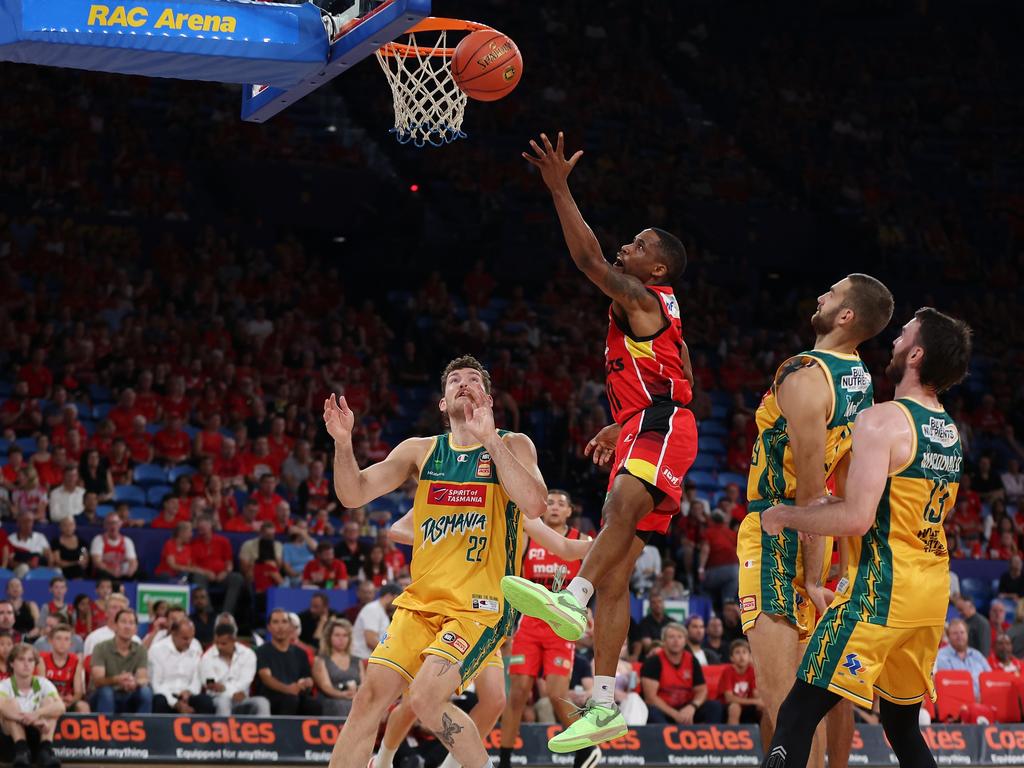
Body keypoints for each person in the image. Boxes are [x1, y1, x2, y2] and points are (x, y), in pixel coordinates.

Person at [502, 132, 696, 752]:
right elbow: (681, 371)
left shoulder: (644, 296)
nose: (627, 246)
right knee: (617, 576)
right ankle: (606, 703)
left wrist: (559, 187)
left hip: (662, 426)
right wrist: (628, 417)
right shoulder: (654, 313)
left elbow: (588, 263)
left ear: (656, 268)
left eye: (639, 246)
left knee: (614, 514)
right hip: (649, 422)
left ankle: (570, 598)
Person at [759, 308, 971, 768]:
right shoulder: (949, 430)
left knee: (795, 714)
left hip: (879, 594)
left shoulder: (881, 420)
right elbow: (894, 508)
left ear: (916, 355)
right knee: (901, 726)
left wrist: (786, 516)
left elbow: (858, 521)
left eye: (903, 335)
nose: (894, 340)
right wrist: (832, 507)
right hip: (930, 594)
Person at [323, 355, 547, 768]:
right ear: (442, 404)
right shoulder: (420, 451)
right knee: (369, 697)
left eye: (473, 380)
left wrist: (491, 437)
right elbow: (352, 494)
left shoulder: (514, 444)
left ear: (488, 397)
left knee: (427, 699)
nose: (463, 384)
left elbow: (534, 504)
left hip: (479, 607)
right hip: (421, 601)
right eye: (454, 380)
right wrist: (342, 443)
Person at [736, 274, 894, 768]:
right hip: (820, 537)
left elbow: (809, 489)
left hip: (780, 530)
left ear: (846, 316)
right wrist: (837, 567)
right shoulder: (860, 379)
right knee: (803, 708)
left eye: (832, 292)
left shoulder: (803, 374)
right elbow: (846, 481)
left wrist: (809, 577)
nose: (821, 295)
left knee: (785, 705)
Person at [499, 488, 599, 768]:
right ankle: (504, 759)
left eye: (561, 504)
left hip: (561, 624)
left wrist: (589, 610)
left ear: (570, 511)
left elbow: (595, 580)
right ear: (543, 509)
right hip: (529, 623)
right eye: (550, 503)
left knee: (557, 694)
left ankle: (586, 749)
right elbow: (514, 581)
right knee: (517, 693)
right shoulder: (528, 538)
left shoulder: (581, 541)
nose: (554, 507)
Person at [640, 623, 723, 724]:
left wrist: (692, 707)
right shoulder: (653, 662)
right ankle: (663, 738)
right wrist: (675, 714)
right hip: (663, 709)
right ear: (664, 641)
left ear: (685, 641)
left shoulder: (692, 660)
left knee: (715, 706)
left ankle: (710, 738)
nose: (676, 641)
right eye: (671, 637)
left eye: (680, 637)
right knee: (652, 711)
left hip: (686, 708)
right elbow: (650, 698)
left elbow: (702, 690)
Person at [0, 643, 65, 768]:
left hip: (39, 737)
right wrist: (33, 721)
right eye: (21, 659)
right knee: (9, 703)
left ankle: (46, 750)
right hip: (12, 744)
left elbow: (61, 707)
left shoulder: (43, 683)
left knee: (50, 702)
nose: (26, 664)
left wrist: (37, 714)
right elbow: (2, 707)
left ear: (35, 664)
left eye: (30, 660)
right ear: (12, 663)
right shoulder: (4, 685)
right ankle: (21, 750)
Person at [254, 609, 320, 716]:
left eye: (284, 622)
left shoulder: (301, 653)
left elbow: (307, 678)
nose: (280, 626)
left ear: (290, 627)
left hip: (296, 695)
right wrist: (288, 689)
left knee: (314, 704)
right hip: (271, 697)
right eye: (275, 622)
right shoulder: (261, 651)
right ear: (269, 627)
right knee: (291, 699)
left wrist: (307, 683)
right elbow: (266, 678)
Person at [89, 609, 153, 714]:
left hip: (129, 694)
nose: (127, 626)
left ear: (136, 629)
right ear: (115, 626)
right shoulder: (101, 648)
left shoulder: (141, 649)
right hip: (104, 695)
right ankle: (105, 728)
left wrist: (134, 683)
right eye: (123, 622)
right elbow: (97, 680)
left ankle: (143, 728)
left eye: (131, 623)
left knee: (145, 692)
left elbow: (142, 677)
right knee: (106, 692)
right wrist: (117, 679)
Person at [200, 623, 270, 716]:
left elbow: (246, 680)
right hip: (218, 698)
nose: (219, 646)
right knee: (223, 703)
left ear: (234, 640)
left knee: (262, 703)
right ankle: (222, 730)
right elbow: (212, 685)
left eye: (223, 643)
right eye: (217, 643)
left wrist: (224, 687)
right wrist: (232, 693)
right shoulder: (207, 657)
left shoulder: (248, 654)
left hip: (242, 698)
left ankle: (262, 730)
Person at [149, 618, 215, 714]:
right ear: (173, 634)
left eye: (191, 637)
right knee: (159, 701)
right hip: (166, 695)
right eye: (185, 638)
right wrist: (175, 703)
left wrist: (189, 692)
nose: (189, 642)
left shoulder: (196, 646)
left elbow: (197, 677)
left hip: (187, 694)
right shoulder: (157, 650)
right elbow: (156, 684)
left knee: (206, 701)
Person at [312, 618, 361, 717]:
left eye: (345, 635)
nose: (341, 639)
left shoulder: (357, 661)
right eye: (337, 635)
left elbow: (363, 685)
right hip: (332, 699)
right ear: (329, 637)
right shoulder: (321, 660)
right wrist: (343, 695)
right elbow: (326, 686)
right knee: (341, 705)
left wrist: (356, 695)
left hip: (355, 698)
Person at [720, 639, 767, 738]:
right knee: (735, 707)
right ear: (731, 658)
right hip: (727, 706)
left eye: (744, 652)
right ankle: (732, 741)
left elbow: (756, 694)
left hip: (747, 706)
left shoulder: (752, 670)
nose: (741, 656)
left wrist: (761, 702)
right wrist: (755, 701)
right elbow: (729, 698)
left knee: (763, 708)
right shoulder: (728, 671)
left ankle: (765, 741)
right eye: (737, 652)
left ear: (750, 656)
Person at [38, 624, 88, 713]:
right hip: (49, 700)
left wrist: (72, 699)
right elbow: (41, 688)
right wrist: (57, 699)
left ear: (71, 643)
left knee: (83, 706)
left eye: (66, 639)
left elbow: (78, 692)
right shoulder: (42, 660)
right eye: (58, 638)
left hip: (68, 701)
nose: (62, 643)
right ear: (51, 641)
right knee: (46, 702)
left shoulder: (76, 661)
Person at [935, 618, 990, 699]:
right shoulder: (940, 656)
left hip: (983, 702)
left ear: (967, 634)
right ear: (948, 636)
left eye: (962, 632)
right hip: (955, 703)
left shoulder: (977, 655)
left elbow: (990, 678)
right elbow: (946, 686)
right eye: (955, 633)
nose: (959, 636)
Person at [351, 584, 400, 660]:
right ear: (388, 597)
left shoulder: (381, 612)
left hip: (370, 659)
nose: (397, 605)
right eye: (397, 599)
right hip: (362, 658)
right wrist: (391, 655)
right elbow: (371, 640)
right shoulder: (373, 609)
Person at [89, 512, 138, 580]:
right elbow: (97, 562)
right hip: (106, 573)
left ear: (120, 524)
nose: (113, 526)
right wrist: (111, 571)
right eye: (109, 523)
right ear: (105, 525)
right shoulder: (98, 540)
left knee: (140, 574)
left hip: (121, 572)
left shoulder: (127, 541)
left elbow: (133, 561)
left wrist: (131, 570)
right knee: (102, 573)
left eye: (115, 523)